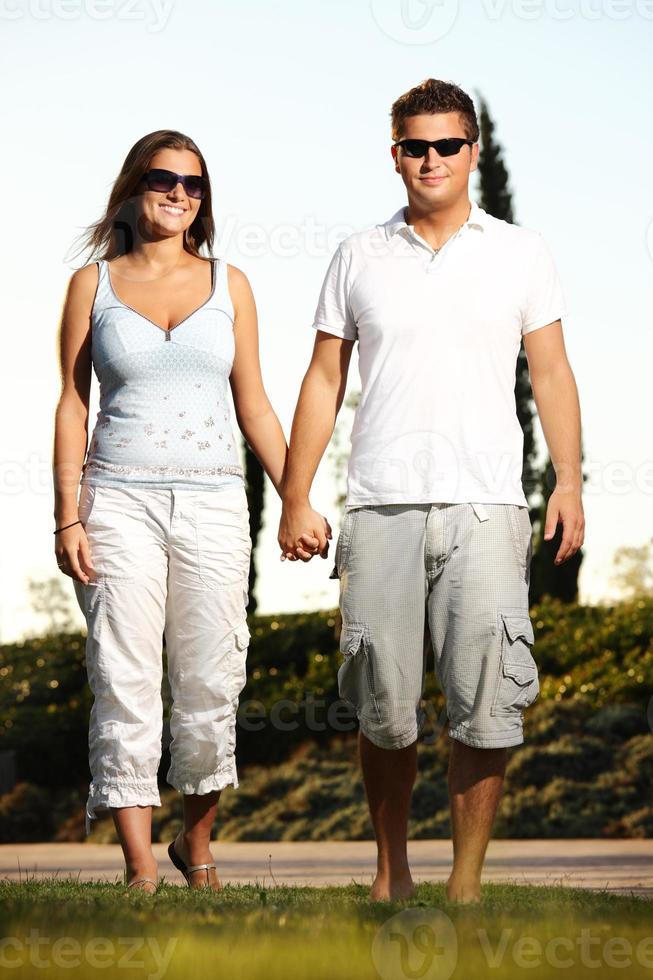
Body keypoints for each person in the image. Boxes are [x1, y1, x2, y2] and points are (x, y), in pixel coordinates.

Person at [278, 78, 584, 903]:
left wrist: (568, 482)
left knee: (486, 703)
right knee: (383, 704)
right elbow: (321, 377)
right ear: (394, 155)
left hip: (487, 506)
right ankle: (391, 872)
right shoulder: (357, 254)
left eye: (448, 143)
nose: (431, 159)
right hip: (379, 506)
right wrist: (296, 495)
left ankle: (466, 885)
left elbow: (550, 372)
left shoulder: (521, 252)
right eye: (415, 145)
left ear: (472, 152)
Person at [53, 130, 326, 892]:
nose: (178, 193)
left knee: (213, 678)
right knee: (124, 675)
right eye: (163, 179)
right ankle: (140, 867)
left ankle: (194, 844)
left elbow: (257, 407)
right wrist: (67, 515)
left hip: (212, 501)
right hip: (117, 503)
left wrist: (296, 498)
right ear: (132, 189)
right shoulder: (91, 285)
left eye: (194, 184)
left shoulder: (229, 283)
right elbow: (73, 403)